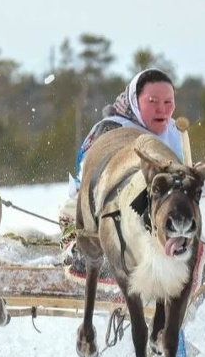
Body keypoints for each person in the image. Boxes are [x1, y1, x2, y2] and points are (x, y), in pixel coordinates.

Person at [60, 67, 189, 248]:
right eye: (153, 101)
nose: (162, 109)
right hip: (102, 208)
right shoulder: (111, 129)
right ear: (136, 101)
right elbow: (86, 177)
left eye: (168, 102)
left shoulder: (176, 133)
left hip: (161, 211)